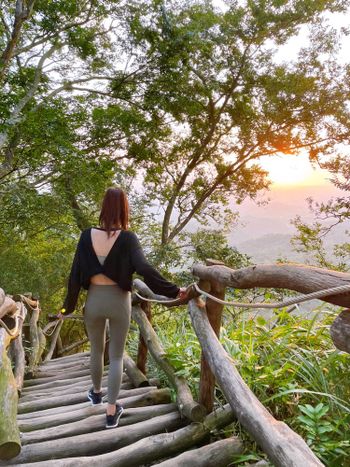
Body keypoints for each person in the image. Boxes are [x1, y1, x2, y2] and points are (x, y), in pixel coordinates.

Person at [58, 187, 186, 429]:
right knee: (116, 356)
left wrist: (66, 309)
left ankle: (96, 393)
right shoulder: (128, 238)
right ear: (124, 208)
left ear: (103, 207)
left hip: (94, 301)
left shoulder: (86, 236)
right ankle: (111, 410)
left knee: (96, 350)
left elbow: (74, 277)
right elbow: (145, 269)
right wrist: (173, 290)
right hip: (119, 302)